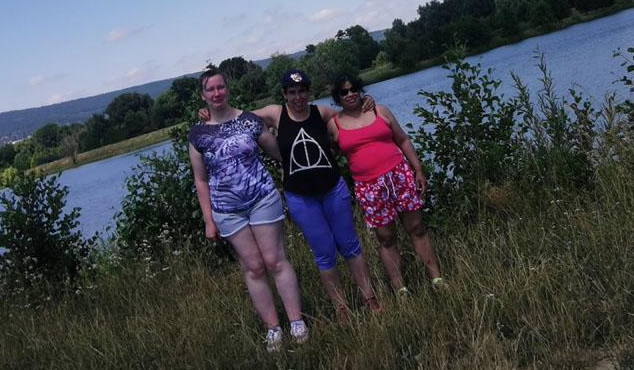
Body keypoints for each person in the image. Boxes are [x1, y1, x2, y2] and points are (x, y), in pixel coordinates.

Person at [201, 69, 381, 320]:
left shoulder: (321, 113)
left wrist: (366, 101)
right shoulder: (275, 114)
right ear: (284, 94)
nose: (298, 97)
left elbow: (351, 114)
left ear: (309, 92)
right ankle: (341, 307)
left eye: (302, 91)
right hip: (301, 198)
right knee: (324, 254)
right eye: (292, 92)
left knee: (350, 245)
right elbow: (236, 116)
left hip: (333, 189)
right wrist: (210, 113)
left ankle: (369, 298)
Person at [188, 67, 306, 351]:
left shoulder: (250, 120)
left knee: (275, 261)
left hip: (262, 198)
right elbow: (200, 179)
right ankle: (273, 328)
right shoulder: (197, 135)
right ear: (203, 95)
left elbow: (277, 151)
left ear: (227, 88)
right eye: (210, 89)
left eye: (220, 87)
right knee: (253, 268)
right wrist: (208, 220)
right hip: (227, 210)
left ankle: (297, 322)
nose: (217, 93)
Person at [326, 74, 443, 295]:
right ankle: (401, 289)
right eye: (344, 92)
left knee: (417, 228)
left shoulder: (380, 111)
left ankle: (436, 279)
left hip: (399, 176)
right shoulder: (334, 124)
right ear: (337, 97)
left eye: (353, 89)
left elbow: (403, 140)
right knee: (386, 238)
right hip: (368, 187)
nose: (350, 94)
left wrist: (418, 169)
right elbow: (328, 150)